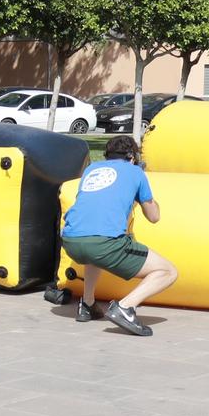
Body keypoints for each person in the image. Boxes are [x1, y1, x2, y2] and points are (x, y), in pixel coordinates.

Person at [60, 136, 178, 337]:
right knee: (168, 271)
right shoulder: (135, 172)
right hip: (104, 243)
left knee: (93, 255)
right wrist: (148, 198)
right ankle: (125, 307)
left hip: (71, 240)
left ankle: (87, 303)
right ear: (132, 156)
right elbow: (154, 217)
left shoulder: (91, 170)